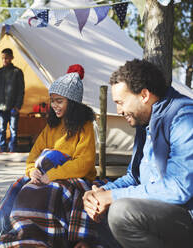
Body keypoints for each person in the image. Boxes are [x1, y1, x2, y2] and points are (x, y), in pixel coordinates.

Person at [83, 59, 193, 248]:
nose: (119, 110)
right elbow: (134, 177)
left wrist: (112, 197)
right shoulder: (145, 123)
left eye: (121, 102)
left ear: (144, 95)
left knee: (121, 212)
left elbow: (178, 188)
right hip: (160, 214)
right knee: (94, 204)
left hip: (185, 218)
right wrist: (100, 194)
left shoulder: (184, 118)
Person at [0, 71, 98, 247]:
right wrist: (31, 170)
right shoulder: (51, 125)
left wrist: (52, 175)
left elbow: (84, 162)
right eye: (52, 100)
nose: (54, 105)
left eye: (59, 101)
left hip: (73, 178)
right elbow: (34, 155)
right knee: (21, 188)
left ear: (72, 102)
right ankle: (20, 232)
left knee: (44, 193)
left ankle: (45, 238)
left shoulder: (85, 126)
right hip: (46, 175)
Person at [0, 48, 25, 152]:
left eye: (6, 58)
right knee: (1, 129)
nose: (4, 60)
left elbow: (21, 90)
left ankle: (12, 149)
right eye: (3, 58)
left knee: (13, 129)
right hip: (1, 107)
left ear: (11, 58)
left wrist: (18, 106)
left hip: (13, 107)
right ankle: (2, 149)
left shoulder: (17, 72)